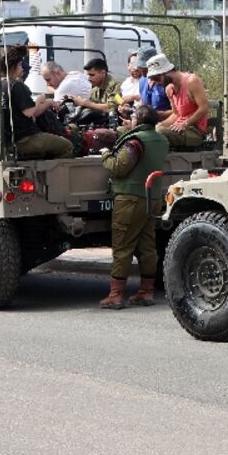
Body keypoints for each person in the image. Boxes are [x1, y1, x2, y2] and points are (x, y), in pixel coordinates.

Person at [98, 104, 168, 309]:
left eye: (133, 117)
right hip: (152, 198)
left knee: (123, 246)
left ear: (138, 120)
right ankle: (146, 292)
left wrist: (105, 154)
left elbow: (118, 167)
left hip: (130, 198)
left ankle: (115, 295)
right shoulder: (162, 140)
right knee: (147, 246)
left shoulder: (136, 142)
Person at [0, 45, 75, 159]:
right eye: (20, 65)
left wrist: (48, 103)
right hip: (24, 139)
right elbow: (30, 112)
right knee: (67, 146)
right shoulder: (16, 86)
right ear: (13, 67)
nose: (22, 68)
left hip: (6, 140)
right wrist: (40, 99)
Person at [148, 53, 210, 149]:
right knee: (151, 130)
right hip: (178, 128)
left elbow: (204, 108)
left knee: (160, 132)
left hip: (195, 131)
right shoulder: (169, 89)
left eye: (156, 78)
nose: (156, 82)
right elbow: (176, 114)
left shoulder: (191, 81)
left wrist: (185, 124)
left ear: (166, 72)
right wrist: (160, 124)